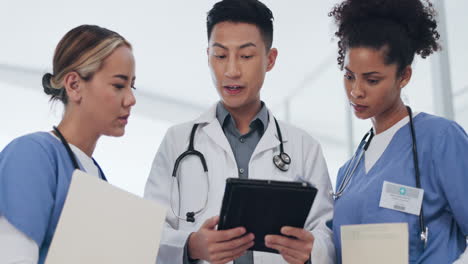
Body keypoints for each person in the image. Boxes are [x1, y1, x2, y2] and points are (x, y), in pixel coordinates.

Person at [144, 0, 335, 263]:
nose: (231, 71)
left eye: (245, 56)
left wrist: (312, 251)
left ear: (270, 59)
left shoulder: (304, 148)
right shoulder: (177, 142)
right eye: (220, 56)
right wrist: (190, 246)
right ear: (208, 56)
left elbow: (327, 234)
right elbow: (148, 234)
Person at [328, 0, 468, 263]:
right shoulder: (347, 172)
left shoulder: (440, 139)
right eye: (349, 76)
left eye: (372, 80)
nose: (356, 91)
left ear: (403, 76)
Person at [0, 25, 136, 264]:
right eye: (118, 85)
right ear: (74, 85)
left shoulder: (95, 175)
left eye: (131, 86)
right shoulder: (32, 155)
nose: (131, 99)